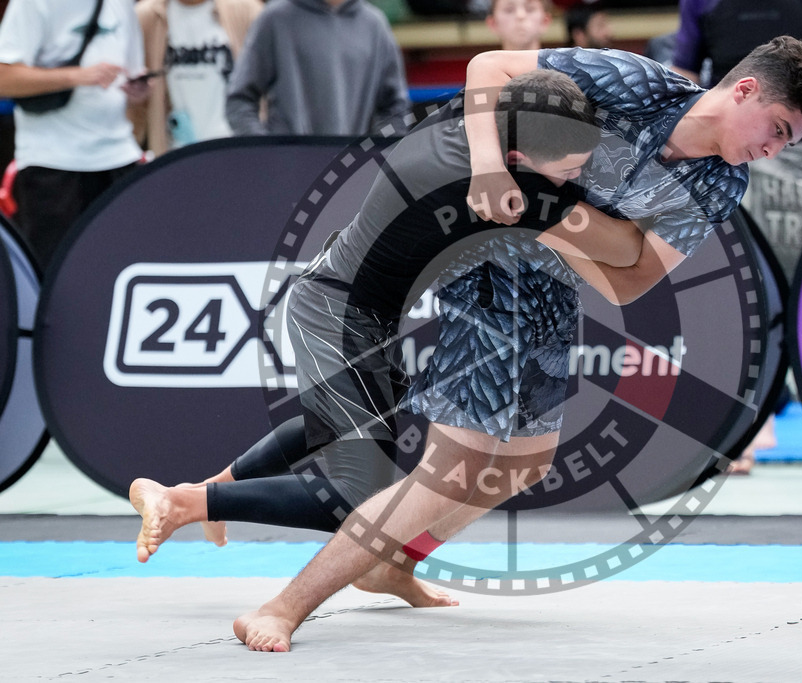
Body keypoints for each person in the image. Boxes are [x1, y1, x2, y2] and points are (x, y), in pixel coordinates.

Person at [230, 38, 802, 652]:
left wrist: (549, 216)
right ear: (746, 89)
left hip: (547, 280)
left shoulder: (722, 184)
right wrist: (495, 169)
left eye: (790, 143)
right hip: (478, 253)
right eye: (779, 129)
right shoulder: (631, 81)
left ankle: (393, 563)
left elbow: (633, 279)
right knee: (455, 466)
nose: (774, 150)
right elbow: (487, 67)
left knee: (523, 464)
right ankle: (283, 607)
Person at [129, 67, 644, 588]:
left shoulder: (462, 121)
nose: (573, 181)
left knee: (345, 420)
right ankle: (183, 502)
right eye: (568, 170)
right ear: (519, 162)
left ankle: (213, 489)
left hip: (355, 301)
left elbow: (486, 69)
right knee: (356, 496)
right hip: (334, 315)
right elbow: (626, 251)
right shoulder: (507, 192)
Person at [669, 0, 802, 473]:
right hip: (725, 145)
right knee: (732, 291)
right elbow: (682, 76)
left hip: (797, 150)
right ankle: (746, 422)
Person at [0, 0, 148, 273]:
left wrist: (138, 90)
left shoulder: (122, 5)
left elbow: (131, 73)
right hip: (52, 163)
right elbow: (4, 77)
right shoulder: (33, 3)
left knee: (121, 271)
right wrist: (76, 76)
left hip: (119, 158)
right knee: (54, 275)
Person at [225, 0, 410, 137]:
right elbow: (239, 100)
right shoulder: (275, 19)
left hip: (352, 178)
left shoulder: (374, 25)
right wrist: (266, 153)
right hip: (287, 174)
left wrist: (372, 156)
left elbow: (396, 107)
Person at [131, 0, 264, 157]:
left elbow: (268, 88)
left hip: (237, 150)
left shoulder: (246, 11)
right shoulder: (147, 16)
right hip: (176, 155)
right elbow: (135, 105)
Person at [486, 0, 552, 50]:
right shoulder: (482, 67)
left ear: (545, 21)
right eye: (509, 10)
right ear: (493, 23)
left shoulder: (560, 67)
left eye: (530, 9)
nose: (520, 15)